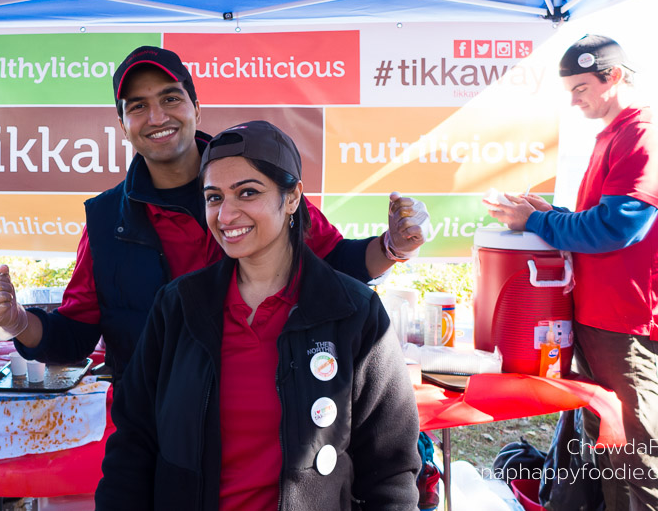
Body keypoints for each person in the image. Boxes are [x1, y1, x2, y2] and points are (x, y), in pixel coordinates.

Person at [0, 45, 432, 384]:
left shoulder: (256, 181)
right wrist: (16, 320)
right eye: (137, 106)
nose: (157, 116)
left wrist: (393, 246)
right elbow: (73, 339)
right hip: (158, 424)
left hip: (270, 404)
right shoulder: (105, 222)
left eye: (171, 98)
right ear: (122, 125)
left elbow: (336, 262)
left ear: (196, 107)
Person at [95, 120, 421, 510]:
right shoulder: (178, 307)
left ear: (292, 198)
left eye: (247, 192)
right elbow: (133, 445)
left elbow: (390, 474)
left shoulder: (354, 313)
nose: (226, 214)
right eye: (214, 197)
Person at [485, 35, 658, 511]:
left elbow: (616, 227)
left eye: (580, 87)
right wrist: (552, 212)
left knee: (634, 454)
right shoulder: (617, 134)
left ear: (614, 76)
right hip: (604, 313)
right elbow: (601, 220)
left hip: (627, 317)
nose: (574, 99)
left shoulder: (645, 134)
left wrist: (536, 222)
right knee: (604, 442)